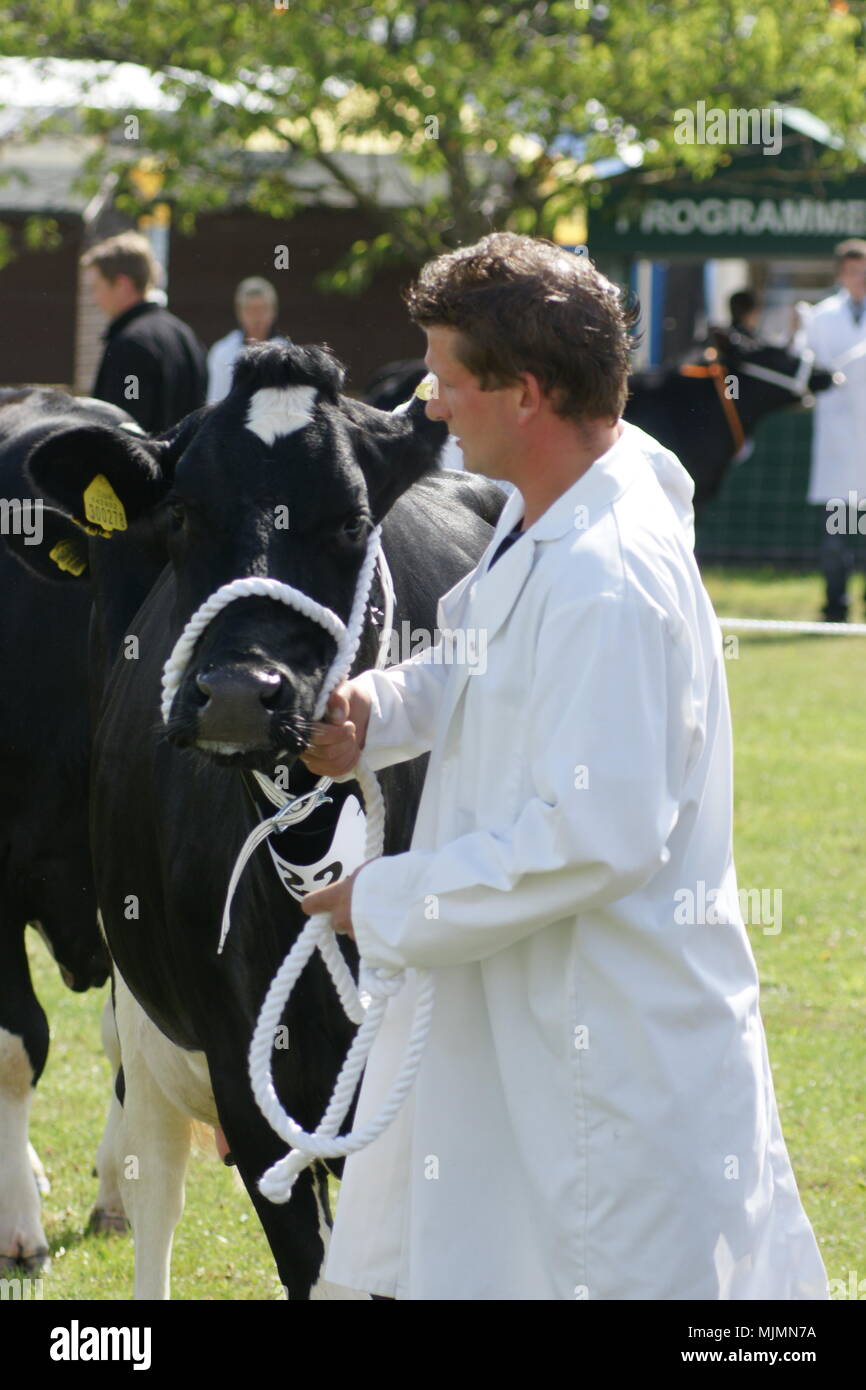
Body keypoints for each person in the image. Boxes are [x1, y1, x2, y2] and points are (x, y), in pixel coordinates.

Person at [298, 233, 826, 1302]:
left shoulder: (607, 574)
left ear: (526, 392)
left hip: (606, 1053)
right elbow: (491, 654)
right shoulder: (573, 495)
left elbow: (595, 837)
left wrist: (388, 897)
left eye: (447, 380)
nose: (432, 404)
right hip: (528, 1023)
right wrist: (379, 707)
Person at [795, 239, 866, 621]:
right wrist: (815, 378)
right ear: (842, 274)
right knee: (837, 534)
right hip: (839, 442)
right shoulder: (821, 317)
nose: (863, 278)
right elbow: (802, 365)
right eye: (855, 271)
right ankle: (835, 606)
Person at [82, 232, 207, 433]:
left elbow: (125, 426)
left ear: (122, 284)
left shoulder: (131, 345)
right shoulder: (185, 335)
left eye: (96, 287)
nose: (94, 299)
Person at [206, 277, 290, 403]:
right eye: (251, 310)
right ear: (240, 312)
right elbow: (214, 401)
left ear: (273, 312)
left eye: (263, 309)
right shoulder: (222, 352)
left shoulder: (287, 353)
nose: (257, 317)